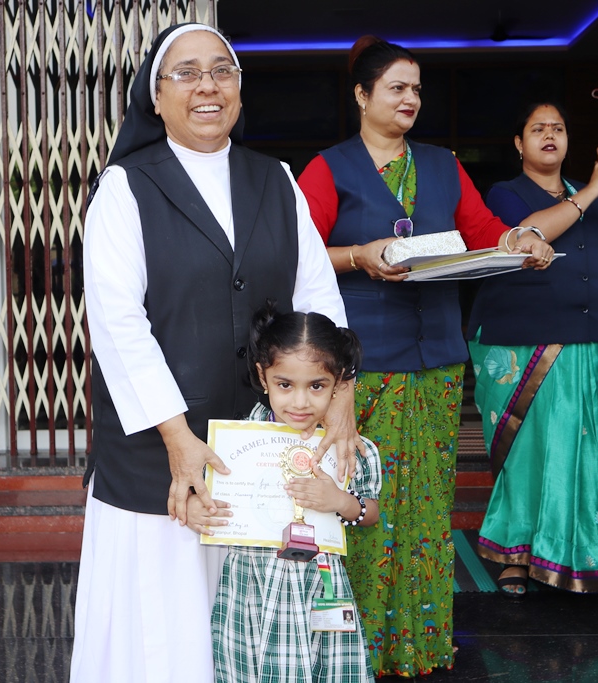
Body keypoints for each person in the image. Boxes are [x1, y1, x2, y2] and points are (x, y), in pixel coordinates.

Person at [70, 24, 357, 683]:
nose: (208, 85)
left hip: (259, 441)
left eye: (222, 71)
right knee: (159, 621)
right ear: (156, 97)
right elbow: (117, 321)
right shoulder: (126, 186)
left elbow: (318, 297)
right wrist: (177, 437)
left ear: (239, 89)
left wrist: (340, 396)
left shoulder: (275, 179)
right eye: (187, 73)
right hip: (155, 448)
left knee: (248, 610)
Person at [297, 36, 552, 676]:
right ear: (362, 96)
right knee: (362, 499)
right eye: (397, 88)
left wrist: (522, 239)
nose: (411, 98)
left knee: (427, 506)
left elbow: (485, 232)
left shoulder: (442, 165)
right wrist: (359, 256)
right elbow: (296, 254)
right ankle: (355, 648)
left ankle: (421, 642)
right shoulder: (328, 169)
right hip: (362, 364)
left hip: (437, 358)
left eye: (416, 88)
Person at [466, 101, 598, 597]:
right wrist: (591, 189)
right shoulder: (504, 193)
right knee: (526, 451)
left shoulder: (595, 192)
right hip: (520, 342)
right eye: (538, 128)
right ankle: (515, 554)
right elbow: (525, 236)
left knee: (582, 451)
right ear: (519, 143)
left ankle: (580, 553)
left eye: (559, 128)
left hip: (588, 338)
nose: (550, 135)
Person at [194, 304, 382, 683]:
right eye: (285, 385)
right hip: (250, 587)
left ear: (339, 383)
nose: (300, 402)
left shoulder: (350, 449)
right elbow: (208, 495)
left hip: (318, 585)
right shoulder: (234, 440)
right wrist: (200, 510)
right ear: (263, 377)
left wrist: (340, 502)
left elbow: (371, 512)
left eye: (316, 386)